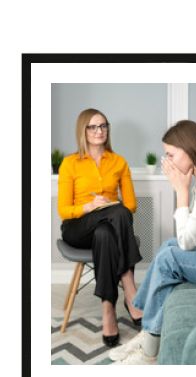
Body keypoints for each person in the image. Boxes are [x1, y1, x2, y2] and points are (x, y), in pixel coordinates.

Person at [109, 119, 196, 364]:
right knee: (169, 246)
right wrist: (184, 189)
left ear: (190, 150)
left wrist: (180, 191)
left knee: (172, 256)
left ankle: (148, 350)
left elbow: (188, 242)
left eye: (170, 154)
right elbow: (184, 238)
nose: (165, 161)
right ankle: (147, 332)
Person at [58, 108, 142, 347]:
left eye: (103, 126)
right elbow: (64, 210)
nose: (99, 131)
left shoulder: (118, 162)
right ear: (83, 130)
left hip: (109, 227)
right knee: (116, 214)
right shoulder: (70, 163)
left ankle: (108, 311)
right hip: (77, 227)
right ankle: (129, 287)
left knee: (106, 232)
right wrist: (90, 206)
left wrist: (108, 206)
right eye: (93, 127)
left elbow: (131, 206)